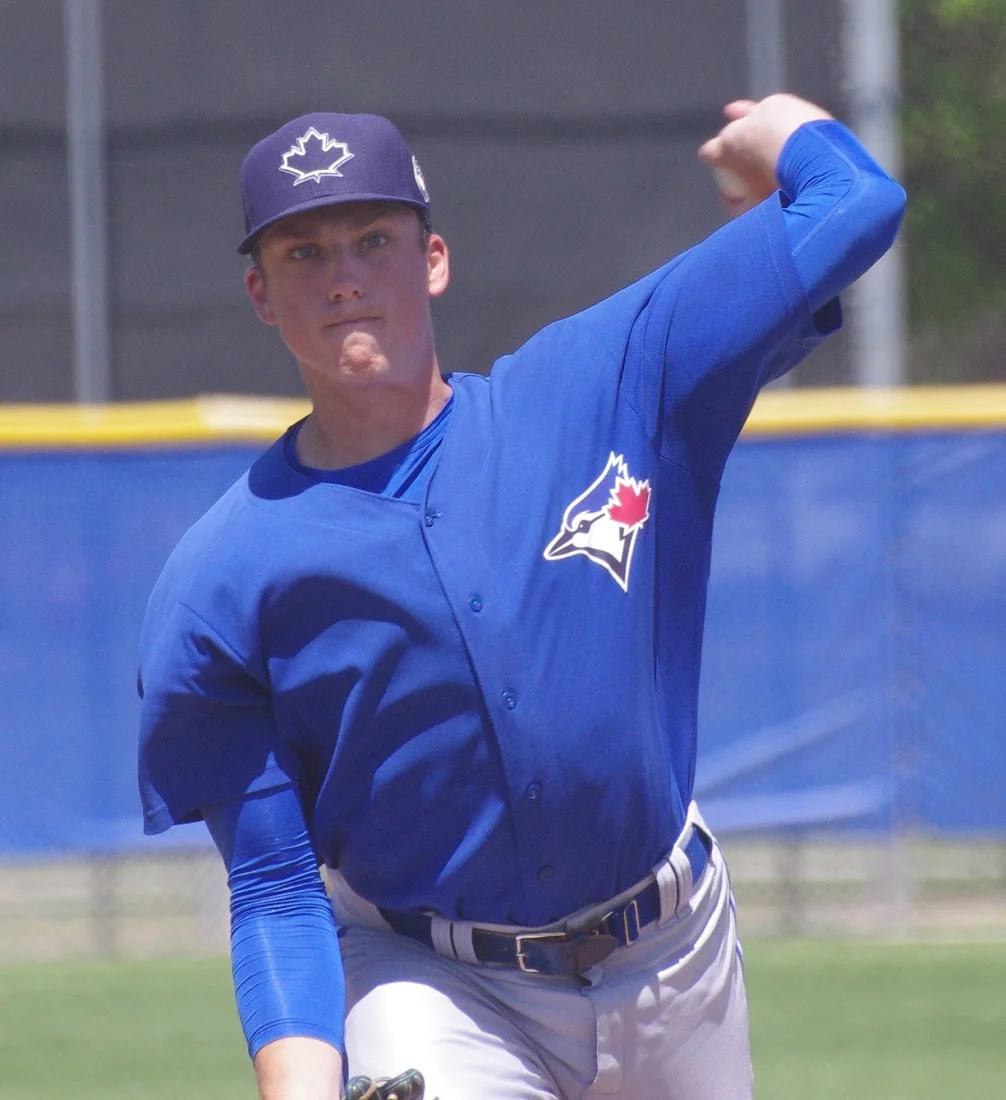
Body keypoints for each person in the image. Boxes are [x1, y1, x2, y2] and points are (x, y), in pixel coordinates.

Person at [137, 96, 905, 1099]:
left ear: (434, 259)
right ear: (260, 294)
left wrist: (781, 127)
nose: (344, 277)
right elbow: (277, 890)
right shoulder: (222, 580)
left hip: (675, 957)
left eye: (373, 239)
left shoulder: (601, 384)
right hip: (435, 985)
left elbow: (855, 202)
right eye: (303, 253)